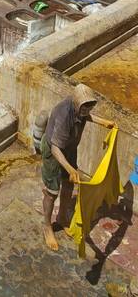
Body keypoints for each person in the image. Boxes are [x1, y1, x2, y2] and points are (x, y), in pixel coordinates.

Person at [41, 84, 114, 251]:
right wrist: (70, 169)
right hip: (54, 153)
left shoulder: (80, 109)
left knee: (69, 185)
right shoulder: (64, 114)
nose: (87, 109)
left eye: (90, 106)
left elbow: (86, 115)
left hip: (69, 149)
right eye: (84, 106)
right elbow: (55, 149)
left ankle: (62, 219)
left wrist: (104, 122)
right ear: (76, 103)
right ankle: (47, 226)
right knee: (52, 192)